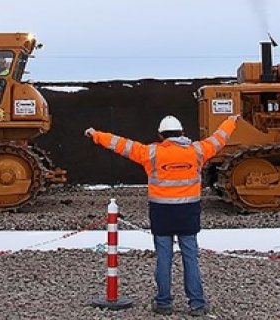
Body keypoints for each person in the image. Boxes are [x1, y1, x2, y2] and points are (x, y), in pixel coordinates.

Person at [85, 114, 240, 316]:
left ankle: (164, 303)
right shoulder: (198, 151)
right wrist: (231, 121)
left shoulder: (151, 153)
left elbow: (121, 144)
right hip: (188, 214)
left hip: (162, 214)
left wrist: (96, 134)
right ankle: (197, 304)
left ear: (160, 135)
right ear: (182, 132)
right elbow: (219, 138)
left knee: (163, 259)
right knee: (191, 258)